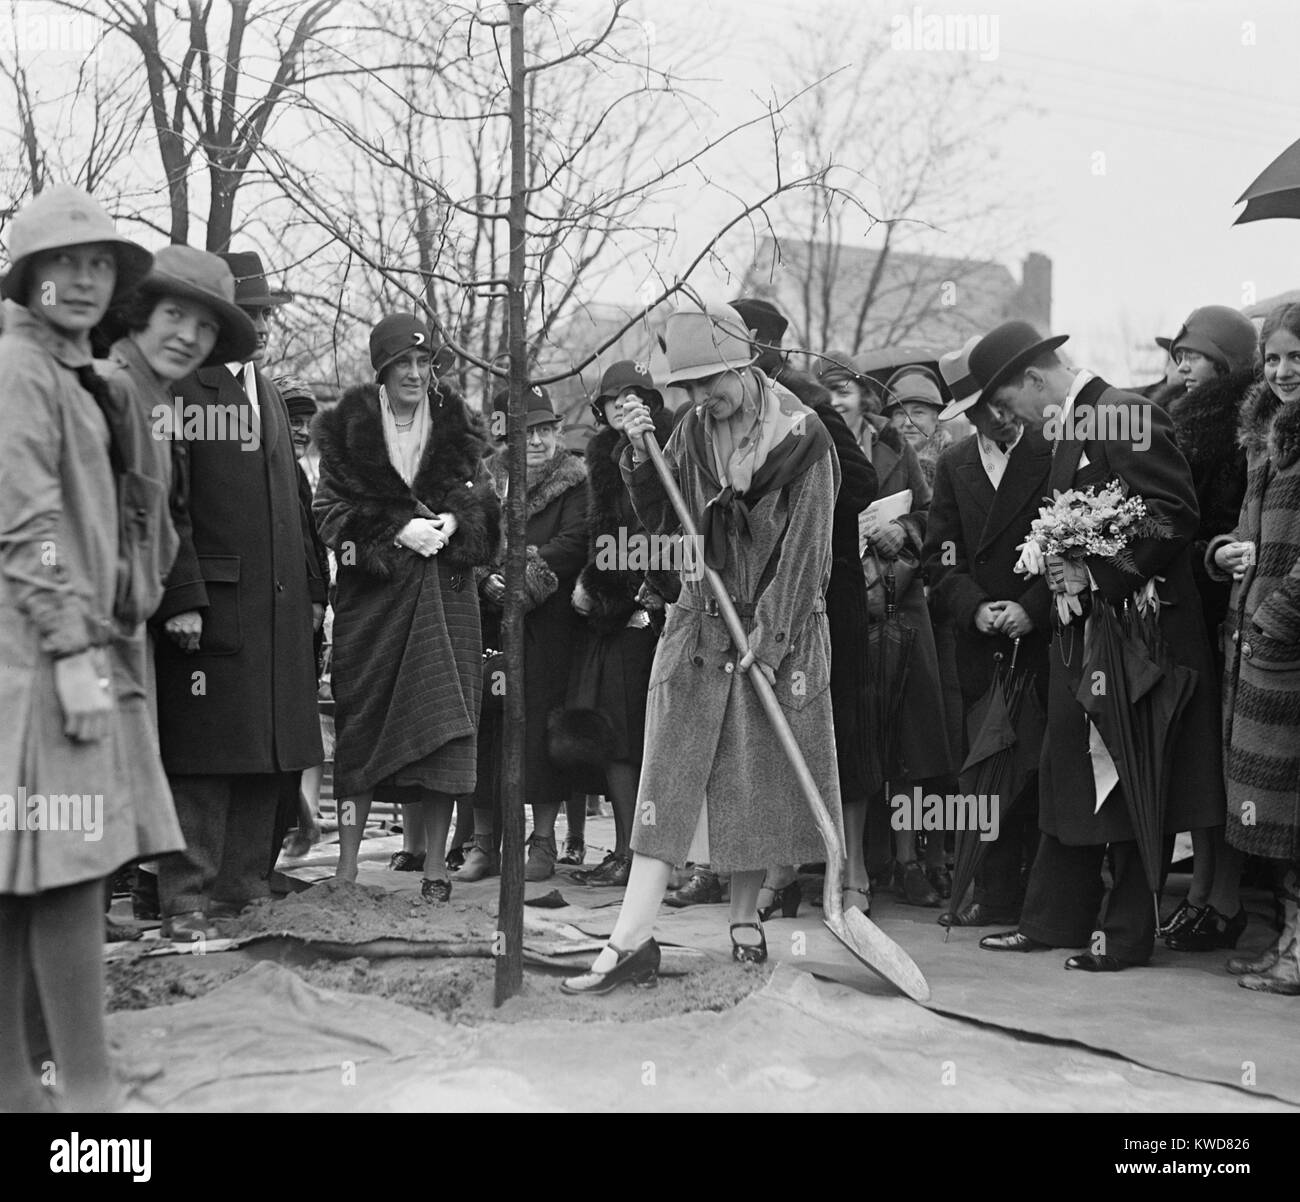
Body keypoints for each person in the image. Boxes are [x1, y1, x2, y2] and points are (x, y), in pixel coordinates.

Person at [561, 302, 841, 995]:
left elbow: (808, 557)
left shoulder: (807, 442)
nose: (697, 399)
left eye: (707, 382)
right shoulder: (689, 430)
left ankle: (745, 918)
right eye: (686, 387)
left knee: (751, 783)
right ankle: (629, 940)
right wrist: (637, 453)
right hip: (699, 624)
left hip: (774, 633)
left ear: (744, 365)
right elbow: (664, 520)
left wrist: (769, 640)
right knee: (668, 783)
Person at [971, 321, 1222, 971]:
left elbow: (1172, 513)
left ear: (1034, 377)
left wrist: (1098, 572)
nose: (1008, 418)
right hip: (1084, 641)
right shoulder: (1068, 426)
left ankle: (1125, 936)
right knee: (1071, 774)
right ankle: (1055, 920)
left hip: (1141, 643)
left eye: (1006, 403)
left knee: (1133, 778)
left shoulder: (1122, 413)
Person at [0, 186, 171, 1111]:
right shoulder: (19, 371)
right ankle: (90, 1102)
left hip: (46, 651)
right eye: (62, 264)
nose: (82, 279)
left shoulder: (73, 374)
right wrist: (71, 648)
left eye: (98, 263)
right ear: (30, 278)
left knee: (24, 879)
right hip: (36, 661)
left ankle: (21, 1090)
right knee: (65, 873)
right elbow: (31, 525)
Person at [151, 249, 325, 940]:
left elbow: (298, 504)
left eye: (265, 316)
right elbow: (171, 501)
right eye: (248, 315)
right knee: (204, 754)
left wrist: (312, 591)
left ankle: (245, 885)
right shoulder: (184, 391)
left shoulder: (274, 398)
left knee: (268, 750)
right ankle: (186, 897)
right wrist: (184, 593)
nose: (260, 328)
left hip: (278, 609)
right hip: (215, 604)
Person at [313, 315, 498, 901]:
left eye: (425, 364)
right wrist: (394, 531)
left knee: (445, 731)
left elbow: (489, 517)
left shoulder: (459, 430)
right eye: (403, 365)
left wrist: (455, 521)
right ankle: (345, 867)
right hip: (374, 610)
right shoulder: (347, 436)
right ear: (382, 371)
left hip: (448, 606)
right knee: (361, 732)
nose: (416, 374)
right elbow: (328, 518)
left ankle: (437, 869)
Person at [730, 298, 879, 916]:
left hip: (825, 587)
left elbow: (863, 483)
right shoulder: (733, 406)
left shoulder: (805, 402)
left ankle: (853, 874)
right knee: (773, 727)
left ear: (761, 344)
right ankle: (780, 868)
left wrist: (795, 507)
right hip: (760, 594)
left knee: (840, 723)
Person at [816, 350, 955, 905]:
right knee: (854, 737)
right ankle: (854, 865)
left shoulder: (896, 449)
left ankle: (911, 861)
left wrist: (904, 533)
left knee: (909, 742)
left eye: (845, 390)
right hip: (841, 606)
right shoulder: (811, 443)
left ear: (865, 396)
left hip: (901, 605)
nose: (836, 401)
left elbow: (931, 516)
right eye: (826, 391)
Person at [923, 336, 1052, 926]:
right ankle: (994, 892)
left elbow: (1075, 545)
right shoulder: (953, 465)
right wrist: (973, 607)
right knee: (986, 767)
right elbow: (939, 556)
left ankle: (1045, 897)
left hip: (1045, 639)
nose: (996, 417)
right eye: (979, 410)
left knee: (1042, 768)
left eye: (998, 404)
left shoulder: (1054, 450)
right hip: (982, 647)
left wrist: (1033, 606)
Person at [545, 361, 676, 888]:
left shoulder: (672, 445)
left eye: (634, 395)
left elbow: (672, 520)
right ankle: (626, 849)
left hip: (668, 603)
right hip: (617, 609)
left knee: (661, 740)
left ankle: (660, 857)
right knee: (616, 735)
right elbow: (604, 529)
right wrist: (594, 585)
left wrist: (654, 584)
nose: (624, 405)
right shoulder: (602, 454)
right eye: (613, 399)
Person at [1206, 301, 1300, 994]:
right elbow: (1241, 529)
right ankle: (1291, 945)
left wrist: (1276, 618)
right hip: (1259, 646)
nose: (1284, 370)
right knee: (1278, 816)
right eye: (1273, 358)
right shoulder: (1267, 437)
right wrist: (1225, 554)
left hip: (1284, 646)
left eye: (1297, 357)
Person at [460, 384, 587, 883]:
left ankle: (543, 842)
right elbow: (470, 534)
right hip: (489, 622)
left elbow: (576, 540)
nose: (536, 441)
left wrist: (522, 577)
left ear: (557, 433)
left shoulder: (575, 482)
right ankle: (484, 844)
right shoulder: (487, 480)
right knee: (486, 728)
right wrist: (485, 576)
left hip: (548, 624)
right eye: (525, 431)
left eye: (544, 430)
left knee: (541, 731)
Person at [1158, 305, 1254, 952]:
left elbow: (1224, 524)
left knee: (1221, 768)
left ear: (1223, 360)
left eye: (1192, 354)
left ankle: (1224, 898)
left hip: (1220, 614)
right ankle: (1199, 893)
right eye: (1179, 354)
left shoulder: (1237, 430)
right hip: (1183, 607)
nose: (1181, 366)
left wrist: (1201, 557)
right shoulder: (1173, 419)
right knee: (1198, 768)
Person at [275, 374, 333, 861]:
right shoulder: (271, 471)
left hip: (301, 621)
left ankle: (300, 820)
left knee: (300, 725)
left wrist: (318, 597)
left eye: (306, 422)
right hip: (279, 619)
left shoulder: (297, 475)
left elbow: (313, 549)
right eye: (292, 419)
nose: (300, 430)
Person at [882, 364, 951, 484]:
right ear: (890, 420)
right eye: (900, 413)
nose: (908, 423)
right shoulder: (877, 463)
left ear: (936, 418)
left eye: (918, 412)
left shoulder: (955, 463)